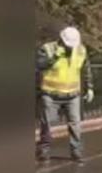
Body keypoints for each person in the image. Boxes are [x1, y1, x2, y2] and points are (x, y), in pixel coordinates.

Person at [36, 26, 93, 163]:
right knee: (47, 124)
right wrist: (55, 57)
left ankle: (76, 152)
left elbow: (86, 69)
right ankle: (44, 151)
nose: (70, 48)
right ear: (61, 40)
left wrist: (89, 87)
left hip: (73, 95)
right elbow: (39, 65)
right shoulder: (48, 49)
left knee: (75, 125)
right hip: (50, 94)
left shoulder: (80, 50)